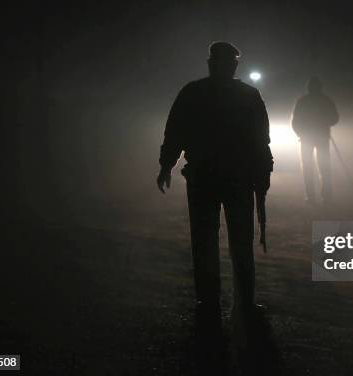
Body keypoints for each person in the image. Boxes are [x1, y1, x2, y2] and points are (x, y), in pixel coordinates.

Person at [156, 42, 273, 353]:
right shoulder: (246, 95)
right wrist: (262, 174)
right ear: (230, 65)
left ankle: (211, 303)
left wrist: (167, 164)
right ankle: (240, 303)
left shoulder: (194, 92)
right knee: (239, 240)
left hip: (207, 178)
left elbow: (175, 132)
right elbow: (261, 140)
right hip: (232, 179)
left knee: (207, 241)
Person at [291, 76, 339, 205]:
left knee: (310, 167)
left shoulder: (302, 101)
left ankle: (312, 196)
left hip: (308, 137)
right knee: (323, 167)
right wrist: (326, 121)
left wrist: (300, 133)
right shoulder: (326, 100)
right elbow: (335, 118)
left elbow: (295, 121)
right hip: (320, 136)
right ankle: (325, 196)